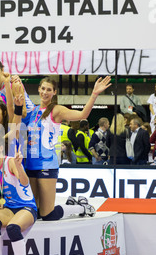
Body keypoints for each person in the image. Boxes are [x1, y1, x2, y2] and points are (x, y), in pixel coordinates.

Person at [15, 76, 111, 221]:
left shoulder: (56, 110)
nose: (45, 92)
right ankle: (72, 203)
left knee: (48, 214)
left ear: (54, 92)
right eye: (43, 89)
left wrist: (94, 94)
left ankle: (81, 207)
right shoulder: (33, 111)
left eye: (49, 90)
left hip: (47, 164)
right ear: (39, 90)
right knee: (36, 212)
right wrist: (16, 81)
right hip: (30, 165)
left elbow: (82, 115)